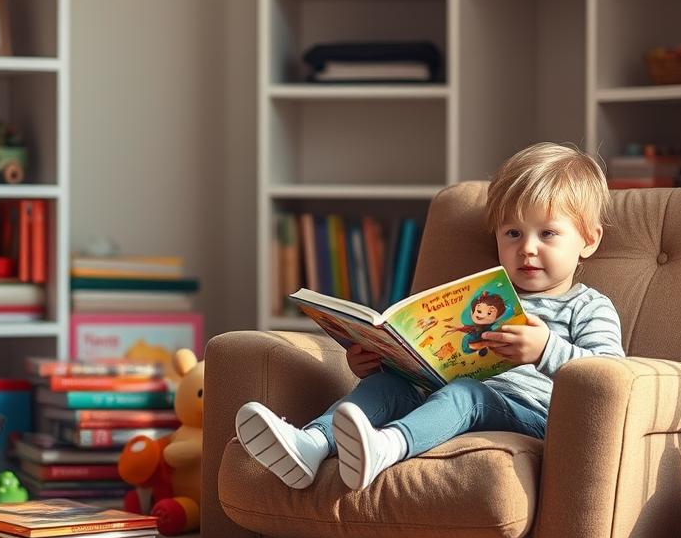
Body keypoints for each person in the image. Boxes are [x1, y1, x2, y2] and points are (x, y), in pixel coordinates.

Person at [235, 142, 625, 490]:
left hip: (532, 417)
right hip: (443, 394)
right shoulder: (481, 296)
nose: (527, 249)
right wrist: (373, 359)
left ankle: (387, 447)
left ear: (588, 240)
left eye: (548, 234)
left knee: (467, 393)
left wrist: (546, 349)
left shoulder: (587, 306)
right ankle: (312, 443)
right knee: (389, 385)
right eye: (512, 234)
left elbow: (611, 377)